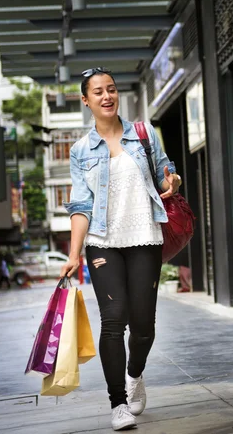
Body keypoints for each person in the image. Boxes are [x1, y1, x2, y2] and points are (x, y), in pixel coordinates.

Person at [60, 67, 182, 430]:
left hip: (144, 236)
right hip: (102, 243)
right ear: (86, 101)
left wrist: (171, 181)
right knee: (113, 322)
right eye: (97, 92)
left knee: (143, 325)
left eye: (111, 89)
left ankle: (135, 374)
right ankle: (117, 404)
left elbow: (166, 171)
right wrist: (72, 254)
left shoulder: (143, 134)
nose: (106, 96)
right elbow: (80, 205)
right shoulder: (81, 150)